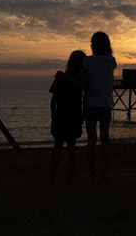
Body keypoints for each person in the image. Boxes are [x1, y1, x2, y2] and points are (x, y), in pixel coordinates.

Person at [57, 32, 117, 181]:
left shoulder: (88, 61)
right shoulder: (112, 61)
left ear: (93, 45)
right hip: (106, 104)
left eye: (91, 43)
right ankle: (104, 173)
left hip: (91, 104)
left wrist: (64, 77)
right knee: (105, 137)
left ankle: (92, 174)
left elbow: (83, 85)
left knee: (92, 138)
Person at [50, 50, 86, 182]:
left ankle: (53, 177)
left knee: (58, 148)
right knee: (71, 148)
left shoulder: (62, 78)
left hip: (63, 116)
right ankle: (69, 177)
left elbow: (53, 100)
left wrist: (53, 116)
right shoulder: (82, 79)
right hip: (73, 116)